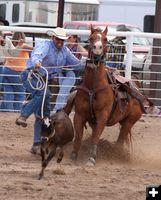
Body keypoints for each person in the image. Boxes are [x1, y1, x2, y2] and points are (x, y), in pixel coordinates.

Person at [15, 27, 84, 154]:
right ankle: (23, 115)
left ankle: (36, 144)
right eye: (58, 39)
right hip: (31, 75)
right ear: (53, 38)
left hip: (44, 81)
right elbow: (37, 54)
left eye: (62, 40)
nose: (60, 41)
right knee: (44, 93)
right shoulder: (45, 45)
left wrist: (92, 62)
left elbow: (77, 63)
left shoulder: (65, 51)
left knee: (44, 115)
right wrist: (37, 62)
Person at [2, 32, 33, 111]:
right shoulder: (23, 45)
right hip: (17, 72)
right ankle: (17, 111)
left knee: (8, 92)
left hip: (6, 69)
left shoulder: (9, 44)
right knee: (20, 93)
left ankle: (7, 112)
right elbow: (35, 48)